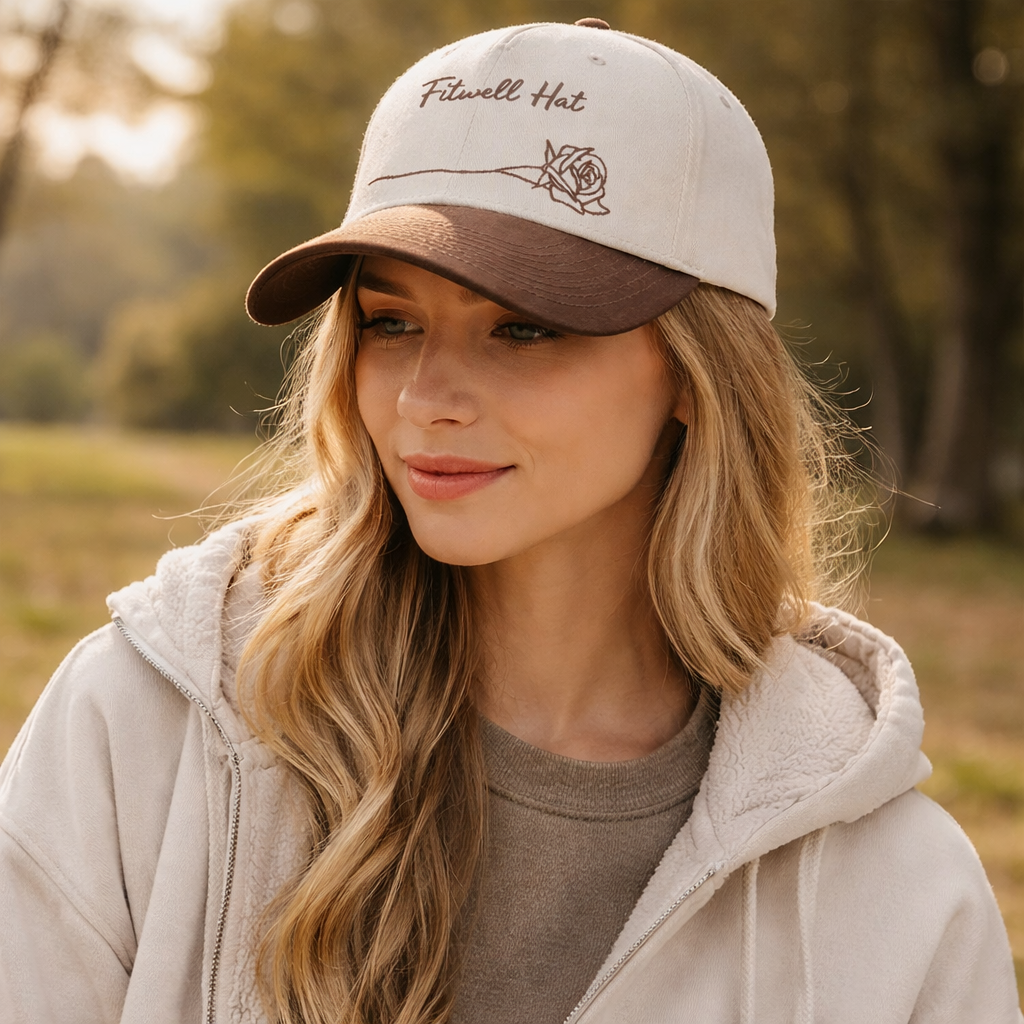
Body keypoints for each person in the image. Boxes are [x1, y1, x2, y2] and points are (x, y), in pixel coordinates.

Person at [0, 17, 1019, 1024]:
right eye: (390, 322)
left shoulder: (895, 897)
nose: (424, 397)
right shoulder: (145, 728)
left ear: (694, 371)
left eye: (523, 328)